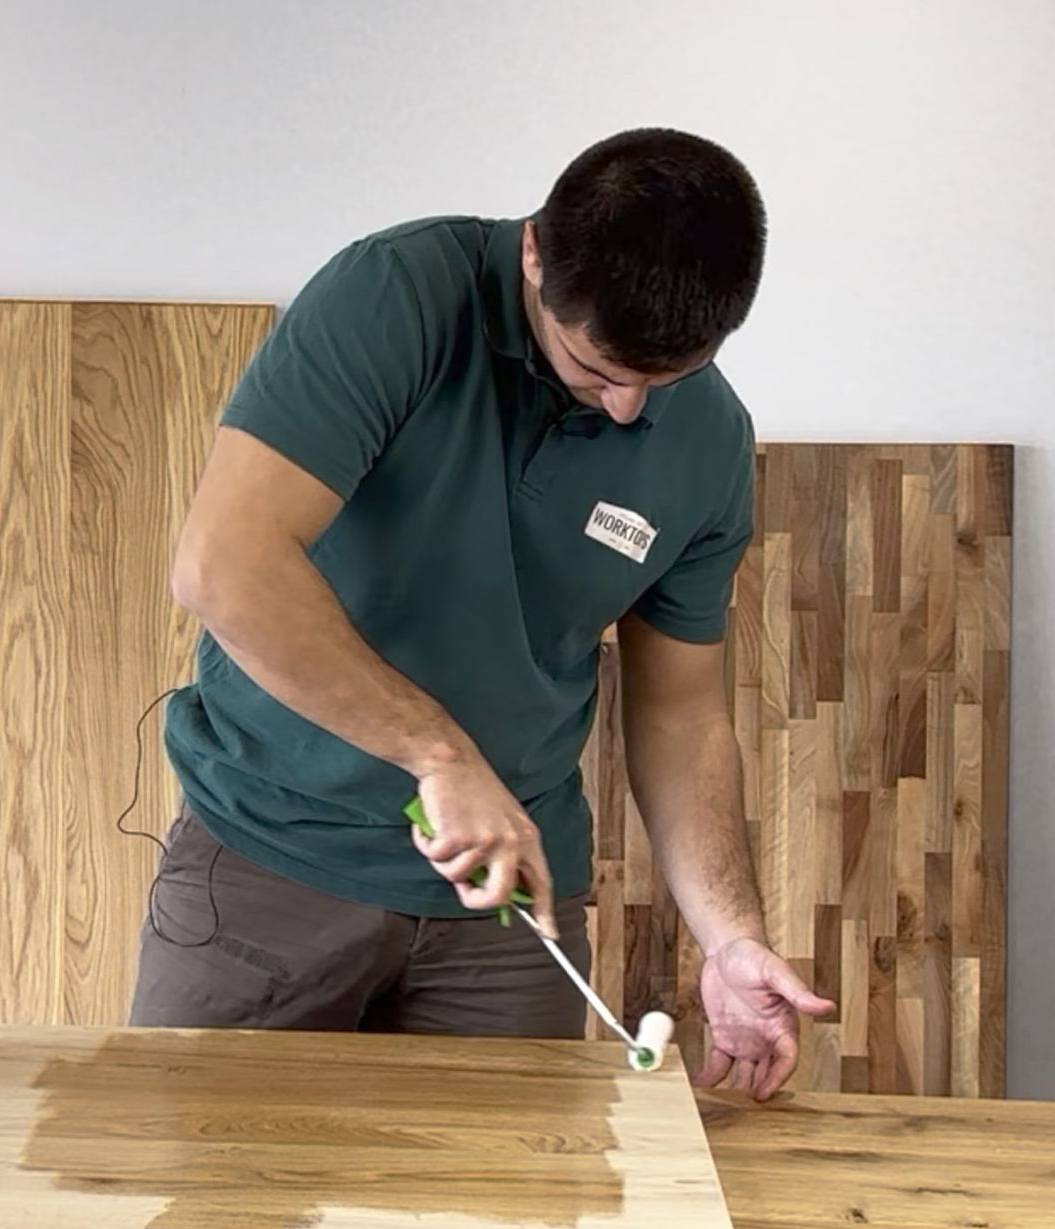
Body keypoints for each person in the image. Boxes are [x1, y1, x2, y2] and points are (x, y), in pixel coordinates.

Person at [132, 127, 833, 1099]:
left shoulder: (707, 441)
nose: (628, 410)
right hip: (272, 867)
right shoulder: (395, 297)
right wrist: (438, 756)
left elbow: (680, 714)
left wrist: (731, 938)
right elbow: (225, 563)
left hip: (509, 919)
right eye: (598, 370)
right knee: (202, 1212)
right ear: (534, 256)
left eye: (663, 380)